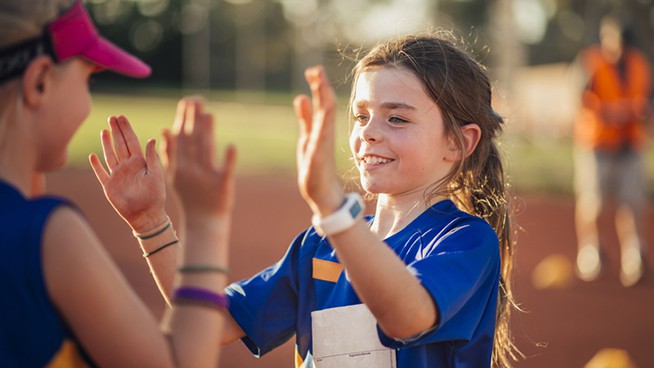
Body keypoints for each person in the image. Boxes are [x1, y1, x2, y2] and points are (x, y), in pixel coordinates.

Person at [97, 32, 520, 367]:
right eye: (360, 115)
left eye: (396, 118)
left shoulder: (465, 242)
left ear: (458, 142)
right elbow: (210, 323)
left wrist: (335, 213)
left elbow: (406, 317)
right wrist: (151, 223)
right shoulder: (319, 245)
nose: (368, 132)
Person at [0, 0, 237, 366]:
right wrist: (207, 222)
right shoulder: (48, 235)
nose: (88, 98)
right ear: (40, 82)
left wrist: (150, 223)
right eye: (87, 79)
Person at [572, 15, 650, 287]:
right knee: (593, 202)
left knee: (632, 201)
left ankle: (634, 255)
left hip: (629, 144)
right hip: (597, 144)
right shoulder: (591, 62)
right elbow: (580, 99)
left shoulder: (639, 65)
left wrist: (640, 113)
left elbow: (648, 100)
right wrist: (612, 112)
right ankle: (591, 251)